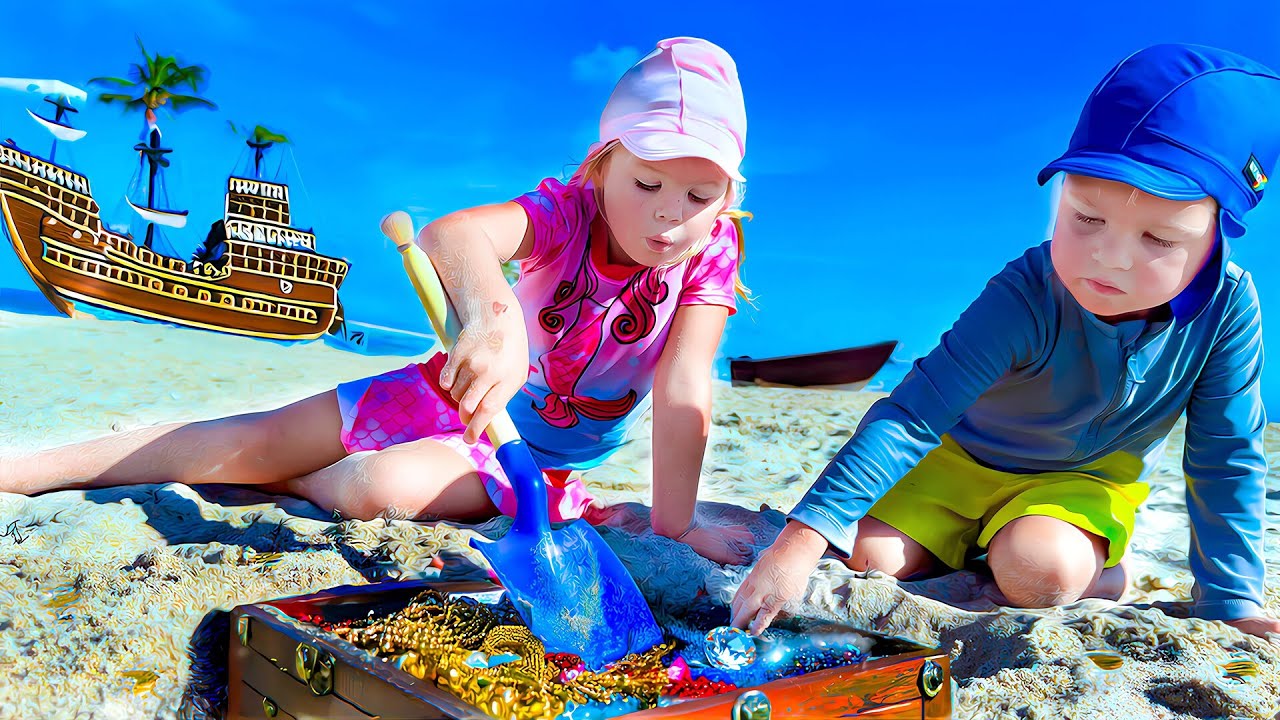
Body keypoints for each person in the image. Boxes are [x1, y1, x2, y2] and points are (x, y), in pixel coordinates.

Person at [1, 37, 755, 566]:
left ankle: (293, 477)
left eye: (699, 193)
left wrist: (676, 523)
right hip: (446, 393)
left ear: (727, 193)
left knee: (379, 488)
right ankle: (34, 467)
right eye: (646, 183)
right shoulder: (567, 213)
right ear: (602, 166)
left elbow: (684, 384)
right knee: (247, 436)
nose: (669, 215)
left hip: (537, 465)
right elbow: (452, 238)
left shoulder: (711, 253)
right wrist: (495, 317)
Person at [730, 43, 1280, 640]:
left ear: (1216, 237)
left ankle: (1098, 572)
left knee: (1037, 572)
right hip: (960, 464)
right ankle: (971, 547)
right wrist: (801, 539)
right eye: (1086, 218)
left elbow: (1224, 455)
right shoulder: (1027, 292)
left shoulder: (1227, 308)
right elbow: (912, 414)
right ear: (1060, 193)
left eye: (1160, 239)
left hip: (1081, 482)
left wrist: (1230, 601)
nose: (1110, 259)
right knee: (868, 560)